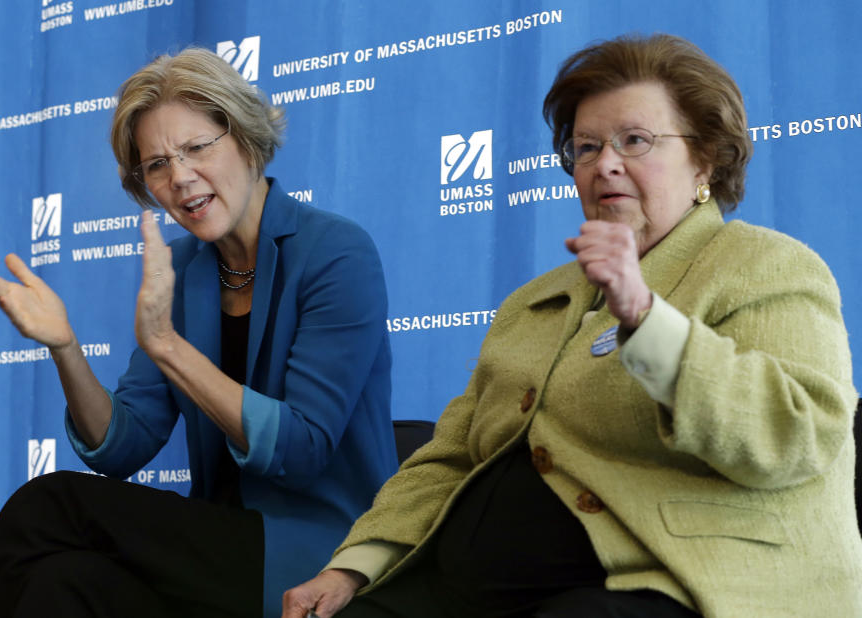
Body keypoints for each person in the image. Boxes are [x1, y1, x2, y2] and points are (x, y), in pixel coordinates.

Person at [282, 33, 861, 618]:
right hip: (467, 589)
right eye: (586, 148)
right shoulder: (535, 301)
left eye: (635, 140)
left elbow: (795, 435)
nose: (604, 163)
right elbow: (452, 456)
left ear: (705, 159)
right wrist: (351, 567)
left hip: (682, 586)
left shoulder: (767, 266)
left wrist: (643, 316)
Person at [0, 47, 397, 618]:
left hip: (318, 552)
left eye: (196, 148)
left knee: (49, 503)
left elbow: (303, 448)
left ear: (243, 136)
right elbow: (121, 447)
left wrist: (167, 346)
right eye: (157, 164)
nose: (180, 177)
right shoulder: (185, 267)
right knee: (62, 582)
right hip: (217, 544)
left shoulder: (335, 252)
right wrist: (65, 348)